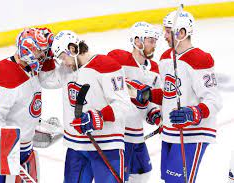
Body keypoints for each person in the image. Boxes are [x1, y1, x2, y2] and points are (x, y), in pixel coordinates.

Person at [132, 11, 222, 182]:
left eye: (168, 31)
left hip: (193, 132)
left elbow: (214, 100)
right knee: (169, 180)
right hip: (171, 131)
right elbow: (169, 94)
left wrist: (193, 113)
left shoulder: (200, 59)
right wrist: (150, 94)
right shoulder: (166, 58)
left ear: (181, 33)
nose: (164, 36)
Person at [39, 30, 133, 183]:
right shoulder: (66, 70)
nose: (63, 62)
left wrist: (99, 116)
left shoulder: (107, 66)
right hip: (76, 146)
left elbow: (123, 104)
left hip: (106, 145)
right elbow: (46, 81)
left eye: (63, 57)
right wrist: (48, 55)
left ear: (73, 49)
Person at [0, 27, 54, 182]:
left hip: (22, 149)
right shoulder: (5, 73)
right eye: (39, 52)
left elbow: (53, 80)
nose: (43, 56)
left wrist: (32, 128)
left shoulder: (30, 69)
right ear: (27, 51)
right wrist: (6, 149)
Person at [107, 22, 162, 183]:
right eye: (150, 41)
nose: (154, 45)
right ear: (137, 41)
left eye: (154, 41)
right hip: (119, 135)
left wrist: (155, 115)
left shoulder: (155, 68)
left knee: (143, 174)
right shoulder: (117, 59)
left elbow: (152, 100)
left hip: (137, 135)